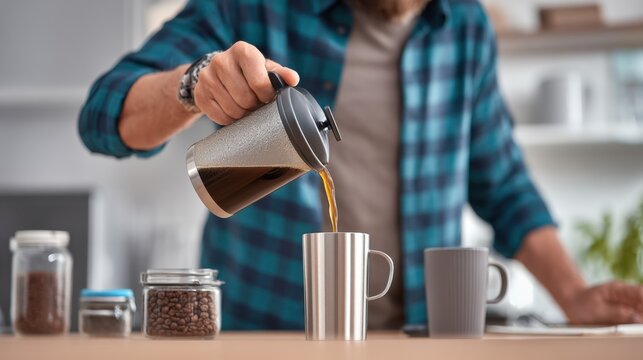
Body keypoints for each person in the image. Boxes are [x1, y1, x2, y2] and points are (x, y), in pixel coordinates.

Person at [79, 0, 643, 330]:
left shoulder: (465, 27)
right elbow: (103, 113)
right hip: (269, 336)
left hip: (410, 336)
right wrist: (191, 84)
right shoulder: (255, 7)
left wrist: (573, 295)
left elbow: (503, 182)